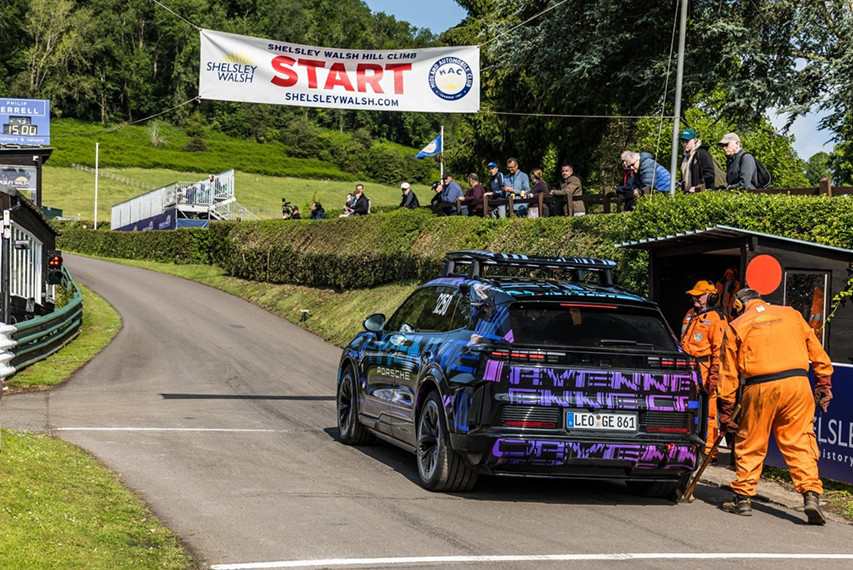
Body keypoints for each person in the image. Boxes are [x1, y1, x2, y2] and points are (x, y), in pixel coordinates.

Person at [717, 288, 833, 524]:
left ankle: (743, 499)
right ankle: (811, 495)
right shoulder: (791, 314)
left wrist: (726, 410)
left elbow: (728, 374)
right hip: (798, 385)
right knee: (800, 441)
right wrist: (823, 383)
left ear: (739, 305)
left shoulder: (737, 325)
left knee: (751, 442)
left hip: (760, 387)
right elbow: (818, 353)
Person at [679, 280, 727, 464]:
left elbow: (719, 352)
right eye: (693, 296)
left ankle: (708, 453)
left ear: (711, 296)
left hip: (705, 370)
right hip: (686, 368)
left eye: (699, 296)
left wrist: (714, 376)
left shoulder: (717, 318)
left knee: (709, 412)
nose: (695, 299)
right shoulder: (691, 314)